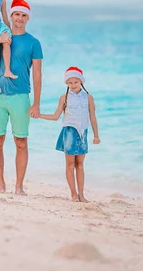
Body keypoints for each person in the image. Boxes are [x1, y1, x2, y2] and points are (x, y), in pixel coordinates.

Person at [0, 0, 43, 195]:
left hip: (20, 97)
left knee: (21, 142)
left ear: (27, 19)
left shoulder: (34, 43)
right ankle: (0, 184)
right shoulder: (1, 35)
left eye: (23, 15)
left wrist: (37, 103)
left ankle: (19, 186)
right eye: (16, 14)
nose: (19, 18)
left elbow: (38, 74)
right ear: (11, 16)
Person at [38, 67, 101, 202]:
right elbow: (56, 116)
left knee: (80, 164)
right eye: (70, 83)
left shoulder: (88, 97)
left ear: (81, 82)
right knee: (70, 164)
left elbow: (92, 117)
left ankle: (82, 194)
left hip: (82, 133)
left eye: (75, 82)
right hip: (69, 133)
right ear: (66, 83)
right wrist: (40, 115)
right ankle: (73, 194)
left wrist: (96, 135)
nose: (73, 85)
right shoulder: (64, 97)